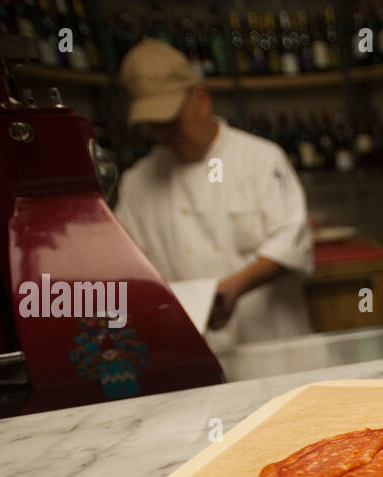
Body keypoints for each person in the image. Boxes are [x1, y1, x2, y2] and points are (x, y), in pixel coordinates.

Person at [113, 39, 313, 351]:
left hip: (273, 346)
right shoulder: (136, 182)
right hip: (191, 353)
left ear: (202, 99)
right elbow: (129, 269)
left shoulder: (261, 159)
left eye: (171, 120)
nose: (165, 133)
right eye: (154, 125)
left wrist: (233, 289)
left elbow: (291, 242)